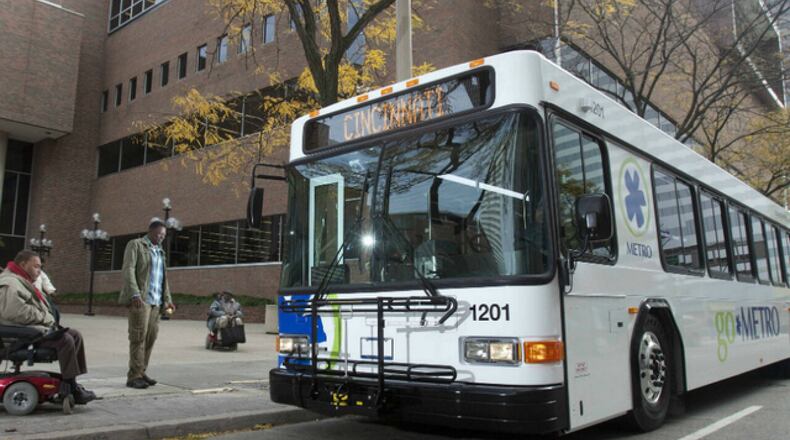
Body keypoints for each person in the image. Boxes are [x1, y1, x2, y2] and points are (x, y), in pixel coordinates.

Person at [0, 250, 95, 404]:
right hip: (20, 337)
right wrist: (45, 318)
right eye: (36, 267)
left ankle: (71, 383)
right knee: (65, 340)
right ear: (23, 264)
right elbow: (14, 312)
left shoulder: (22, 280)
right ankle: (70, 388)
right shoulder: (10, 283)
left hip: (32, 330)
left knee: (75, 335)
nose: (39, 271)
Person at [118, 219, 175, 389]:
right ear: (150, 231)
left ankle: (141, 371)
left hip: (156, 302)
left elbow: (163, 279)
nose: (161, 238)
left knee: (150, 338)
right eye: (158, 234)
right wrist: (134, 292)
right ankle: (133, 376)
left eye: (164, 235)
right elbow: (128, 269)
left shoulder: (160, 252)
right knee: (138, 337)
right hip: (141, 301)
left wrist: (168, 300)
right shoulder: (136, 245)